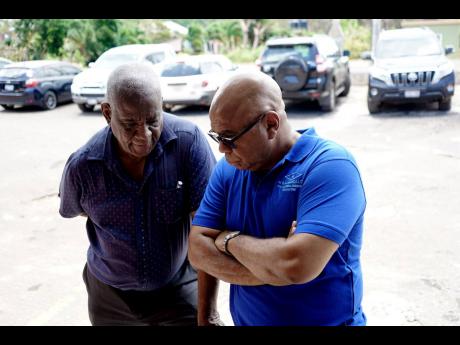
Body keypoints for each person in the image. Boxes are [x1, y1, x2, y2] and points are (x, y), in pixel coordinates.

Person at [188, 71, 367, 326]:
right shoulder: (228, 168)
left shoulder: (331, 166)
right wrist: (274, 269)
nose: (222, 149)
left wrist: (228, 240)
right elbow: (197, 250)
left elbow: (296, 264)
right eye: (216, 137)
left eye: (229, 138)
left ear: (271, 124)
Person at [58, 62, 218, 326]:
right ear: (107, 114)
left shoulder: (188, 143)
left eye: (153, 120)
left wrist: (208, 312)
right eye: (130, 123)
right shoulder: (84, 166)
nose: (144, 135)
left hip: (177, 290)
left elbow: (208, 227)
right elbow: (76, 210)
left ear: (162, 105)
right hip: (109, 299)